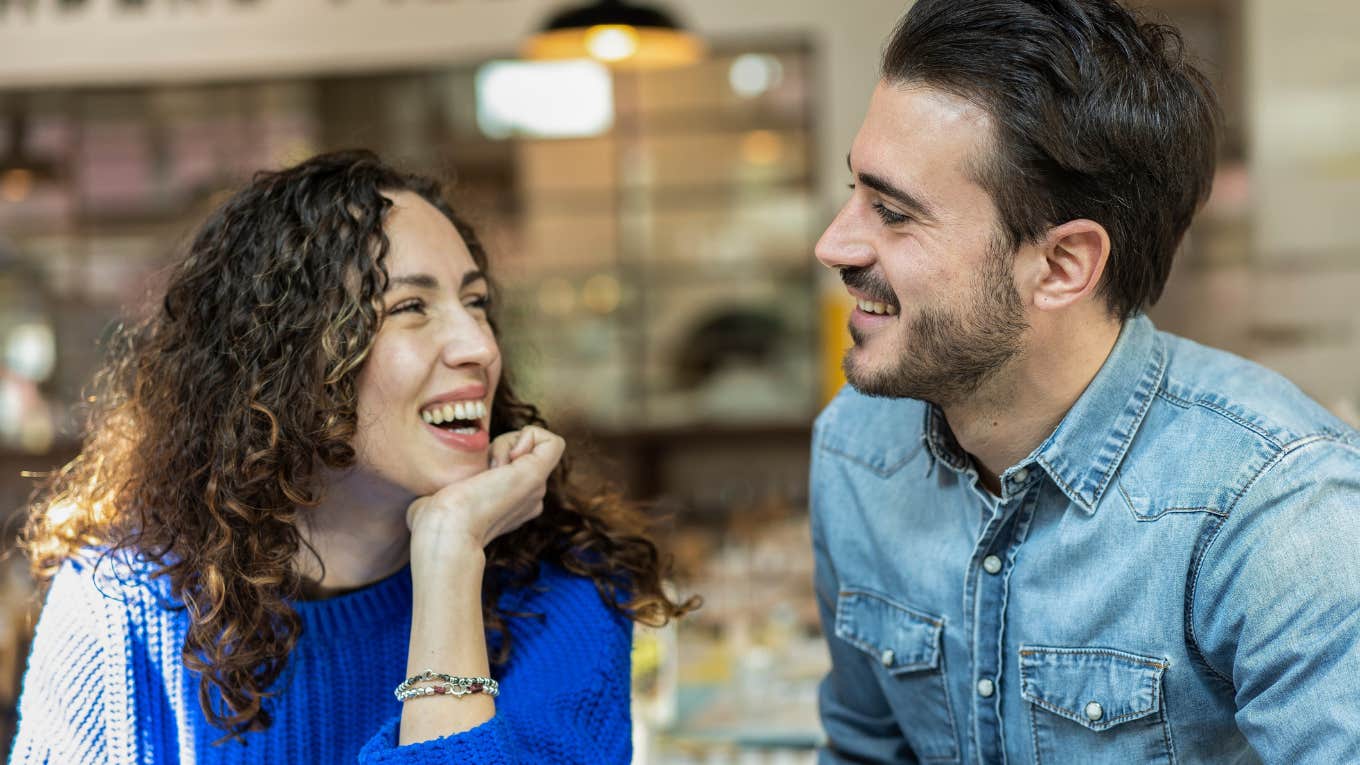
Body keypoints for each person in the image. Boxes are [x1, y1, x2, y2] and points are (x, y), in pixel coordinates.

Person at [11, 149, 695, 763]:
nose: (480, 346)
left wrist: (451, 559)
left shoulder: (563, 594)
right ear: (284, 361)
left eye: (477, 303)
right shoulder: (120, 605)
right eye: (410, 308)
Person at [810, 1, 1360, 763]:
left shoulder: (1281, 509)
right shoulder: (855, 446)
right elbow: (866, 750)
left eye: (893, 211)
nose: (832, 243)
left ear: (1063, 266)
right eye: (854, 193)